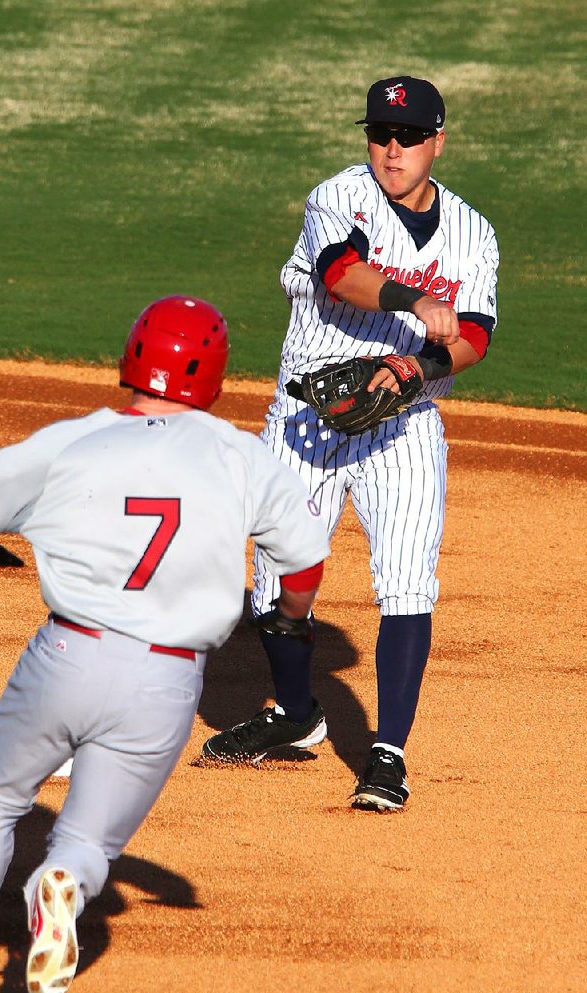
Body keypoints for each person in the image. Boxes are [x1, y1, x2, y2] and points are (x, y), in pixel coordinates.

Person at [0, 295, 331, 993]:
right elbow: (303, 567)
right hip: (166, 680)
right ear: (215, 378)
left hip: (67, 655)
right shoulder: (241, 455)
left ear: (133, 354)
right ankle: (63, 883)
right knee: (86, 843)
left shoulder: (77, 439)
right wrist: (290, 619)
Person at [201, 76, 499, 812]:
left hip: (402, 425)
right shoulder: (339, 197)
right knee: (277, 589)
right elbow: (341, 271)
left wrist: (417, 367)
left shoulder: (474, 232)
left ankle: (388, 755)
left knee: (405, 582)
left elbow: (478, 336)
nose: (391, 151)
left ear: (438, 140)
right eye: (379, 135)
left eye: (406, 137)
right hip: (308, 416)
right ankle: (296, 715)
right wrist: (413, 303)